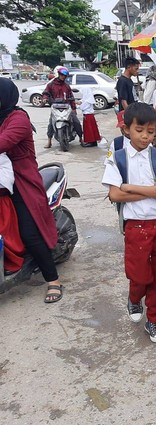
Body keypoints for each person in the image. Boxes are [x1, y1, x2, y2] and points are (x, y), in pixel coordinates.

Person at [101, 102, 156, 344]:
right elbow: (115, 195)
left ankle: (153, 319)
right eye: (139, 129)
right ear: (126, 130)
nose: (145, 136)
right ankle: (134, 298)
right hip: (136, 226)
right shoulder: (118, 158)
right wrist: (151, 190)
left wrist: (130, 186)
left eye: (151, 131)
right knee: (139, 274)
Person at [0, 78, 63, 302]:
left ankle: (53, 280)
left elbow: (3, 142)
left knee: (29, 233)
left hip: (23, 181)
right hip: (3, 182)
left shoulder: (18, 118)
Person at [42, 67, 83, 148]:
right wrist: (45, 98)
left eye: (65, 76)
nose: (63, 77)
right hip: (55, 107)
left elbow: (71, 97)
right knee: (51, 123)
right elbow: (46, 93)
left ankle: (81, 139)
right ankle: (49, 141)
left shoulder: (67, 86)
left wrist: (74, 109)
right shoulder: (51, 85)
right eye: (62, 75)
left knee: (76, 122)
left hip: (67, 107)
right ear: (59, 74)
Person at [0, 152, 25, 273]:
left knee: (5, 236)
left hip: (2, 203)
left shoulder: (2, 156)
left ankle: (12, 262)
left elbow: (7, 180)